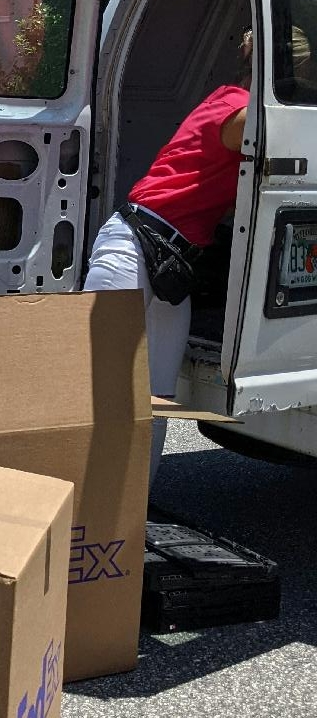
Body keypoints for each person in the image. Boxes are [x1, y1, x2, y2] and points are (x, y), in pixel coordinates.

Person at [84, 30, 252, 483]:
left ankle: (128, 515)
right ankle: (78, 507)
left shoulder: (237, 111)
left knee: (156, 399)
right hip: (135, 245)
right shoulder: (233, 104)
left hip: (174, 265)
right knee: (99, 390)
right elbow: (275, 122)